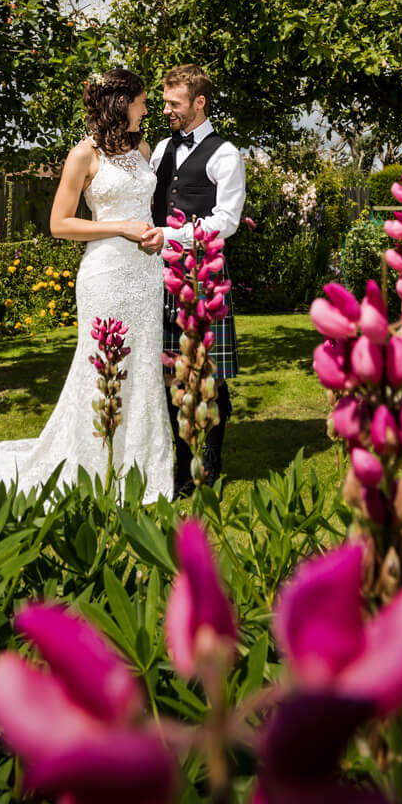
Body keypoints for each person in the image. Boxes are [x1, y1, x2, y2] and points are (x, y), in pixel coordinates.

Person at [0, 67, 173, 510]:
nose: (146, 108)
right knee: (101, 366)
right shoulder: (83, 155)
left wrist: (149, 234)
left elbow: (143, 207)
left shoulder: (143, 148)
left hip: (146, 273)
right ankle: (93, 466)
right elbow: (59, 224)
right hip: (107, 273)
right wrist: (120, 229)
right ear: (120, 104)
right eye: (141, 101)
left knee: (145, 363)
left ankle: (143, 467)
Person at [145, 63, 246, 499]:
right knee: (171, 373)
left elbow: (226, 221)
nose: (165, 109)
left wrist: (173, 234)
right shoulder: (160, 149)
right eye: (164, 101)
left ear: (199, 102)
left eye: (174, 103)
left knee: (209, 373)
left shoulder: (226, 154)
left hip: (204, 274)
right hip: (161, 274)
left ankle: (214, 461)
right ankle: (182, 468)